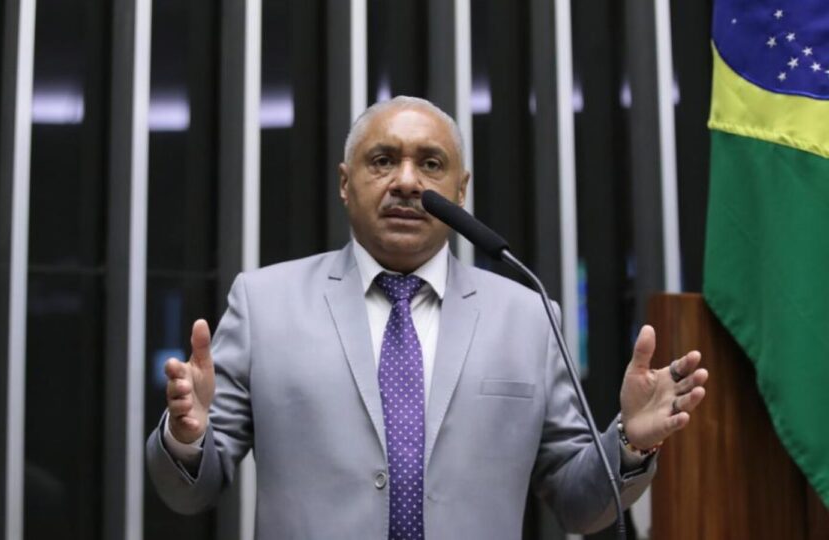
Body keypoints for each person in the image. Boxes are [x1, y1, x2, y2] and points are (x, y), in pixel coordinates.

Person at [146, 96, 709, 539]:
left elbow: (579, 503)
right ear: (345, 183)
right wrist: (186, 438)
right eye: (383, 161)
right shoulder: (265, 303)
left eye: (431, 164)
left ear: (460, 191)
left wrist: (629, 443)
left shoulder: (528, 317)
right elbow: (190, 493)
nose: (407, 182)